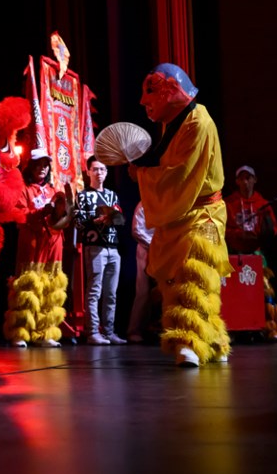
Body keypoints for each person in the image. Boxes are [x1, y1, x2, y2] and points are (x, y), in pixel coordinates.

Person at [128, 62, 232, 368]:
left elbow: (181, 175)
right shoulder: (172, 124)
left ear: (170, 91)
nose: (144, 102)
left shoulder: (198, 123)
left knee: (195, 275)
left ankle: (191, 341)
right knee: (175, 280)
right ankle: (211, 340)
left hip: (201, 212)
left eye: (150, 93)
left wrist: (142, 176)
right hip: (180, 213)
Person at [4, 149, 74, 348]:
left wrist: (64, 213)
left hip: (53, 243)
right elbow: (18, 214)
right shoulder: (24, 189)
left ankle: (45, 332)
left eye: (45, 165)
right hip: (32, 243)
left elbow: (64, 218)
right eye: (38, 164)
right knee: (28, 286)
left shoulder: (54, 191)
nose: (42, 169)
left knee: (51, 287)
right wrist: (41, 212)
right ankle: (21, 332)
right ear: (31, 167)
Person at [224, 165, 277, 341]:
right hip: (234, 253)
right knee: (231, 291)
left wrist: (266, 230)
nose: (245, 182)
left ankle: (272, 328)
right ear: (236, 182)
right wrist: (237, 234)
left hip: (255, 253)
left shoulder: (263, 205)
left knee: (266, 289)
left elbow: (274, 230)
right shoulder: (228, 204)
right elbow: (222, 228)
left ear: (255, 180)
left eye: (249, 178)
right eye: (242, 178)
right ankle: (229, 330)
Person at [75, 156, 126, 345]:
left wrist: (113, 218)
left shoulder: (112, 195)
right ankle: (92, 332)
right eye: (95, 169)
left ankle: (109, 331)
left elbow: (121, 220)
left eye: (103, 169)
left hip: (113, 247)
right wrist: (95, 222)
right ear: (88, 172)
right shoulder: (83, 195)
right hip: (95, 247)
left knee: (111, 293)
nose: (99, 173)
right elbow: (78, 223)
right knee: (94, 291)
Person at [126, 201, 155, 343]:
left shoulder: (168, 201)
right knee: (143, 291)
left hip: (165, 251)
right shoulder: (144, 204)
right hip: (146, 249)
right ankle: (134, 329)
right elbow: (137, 230)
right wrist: (154, 245)